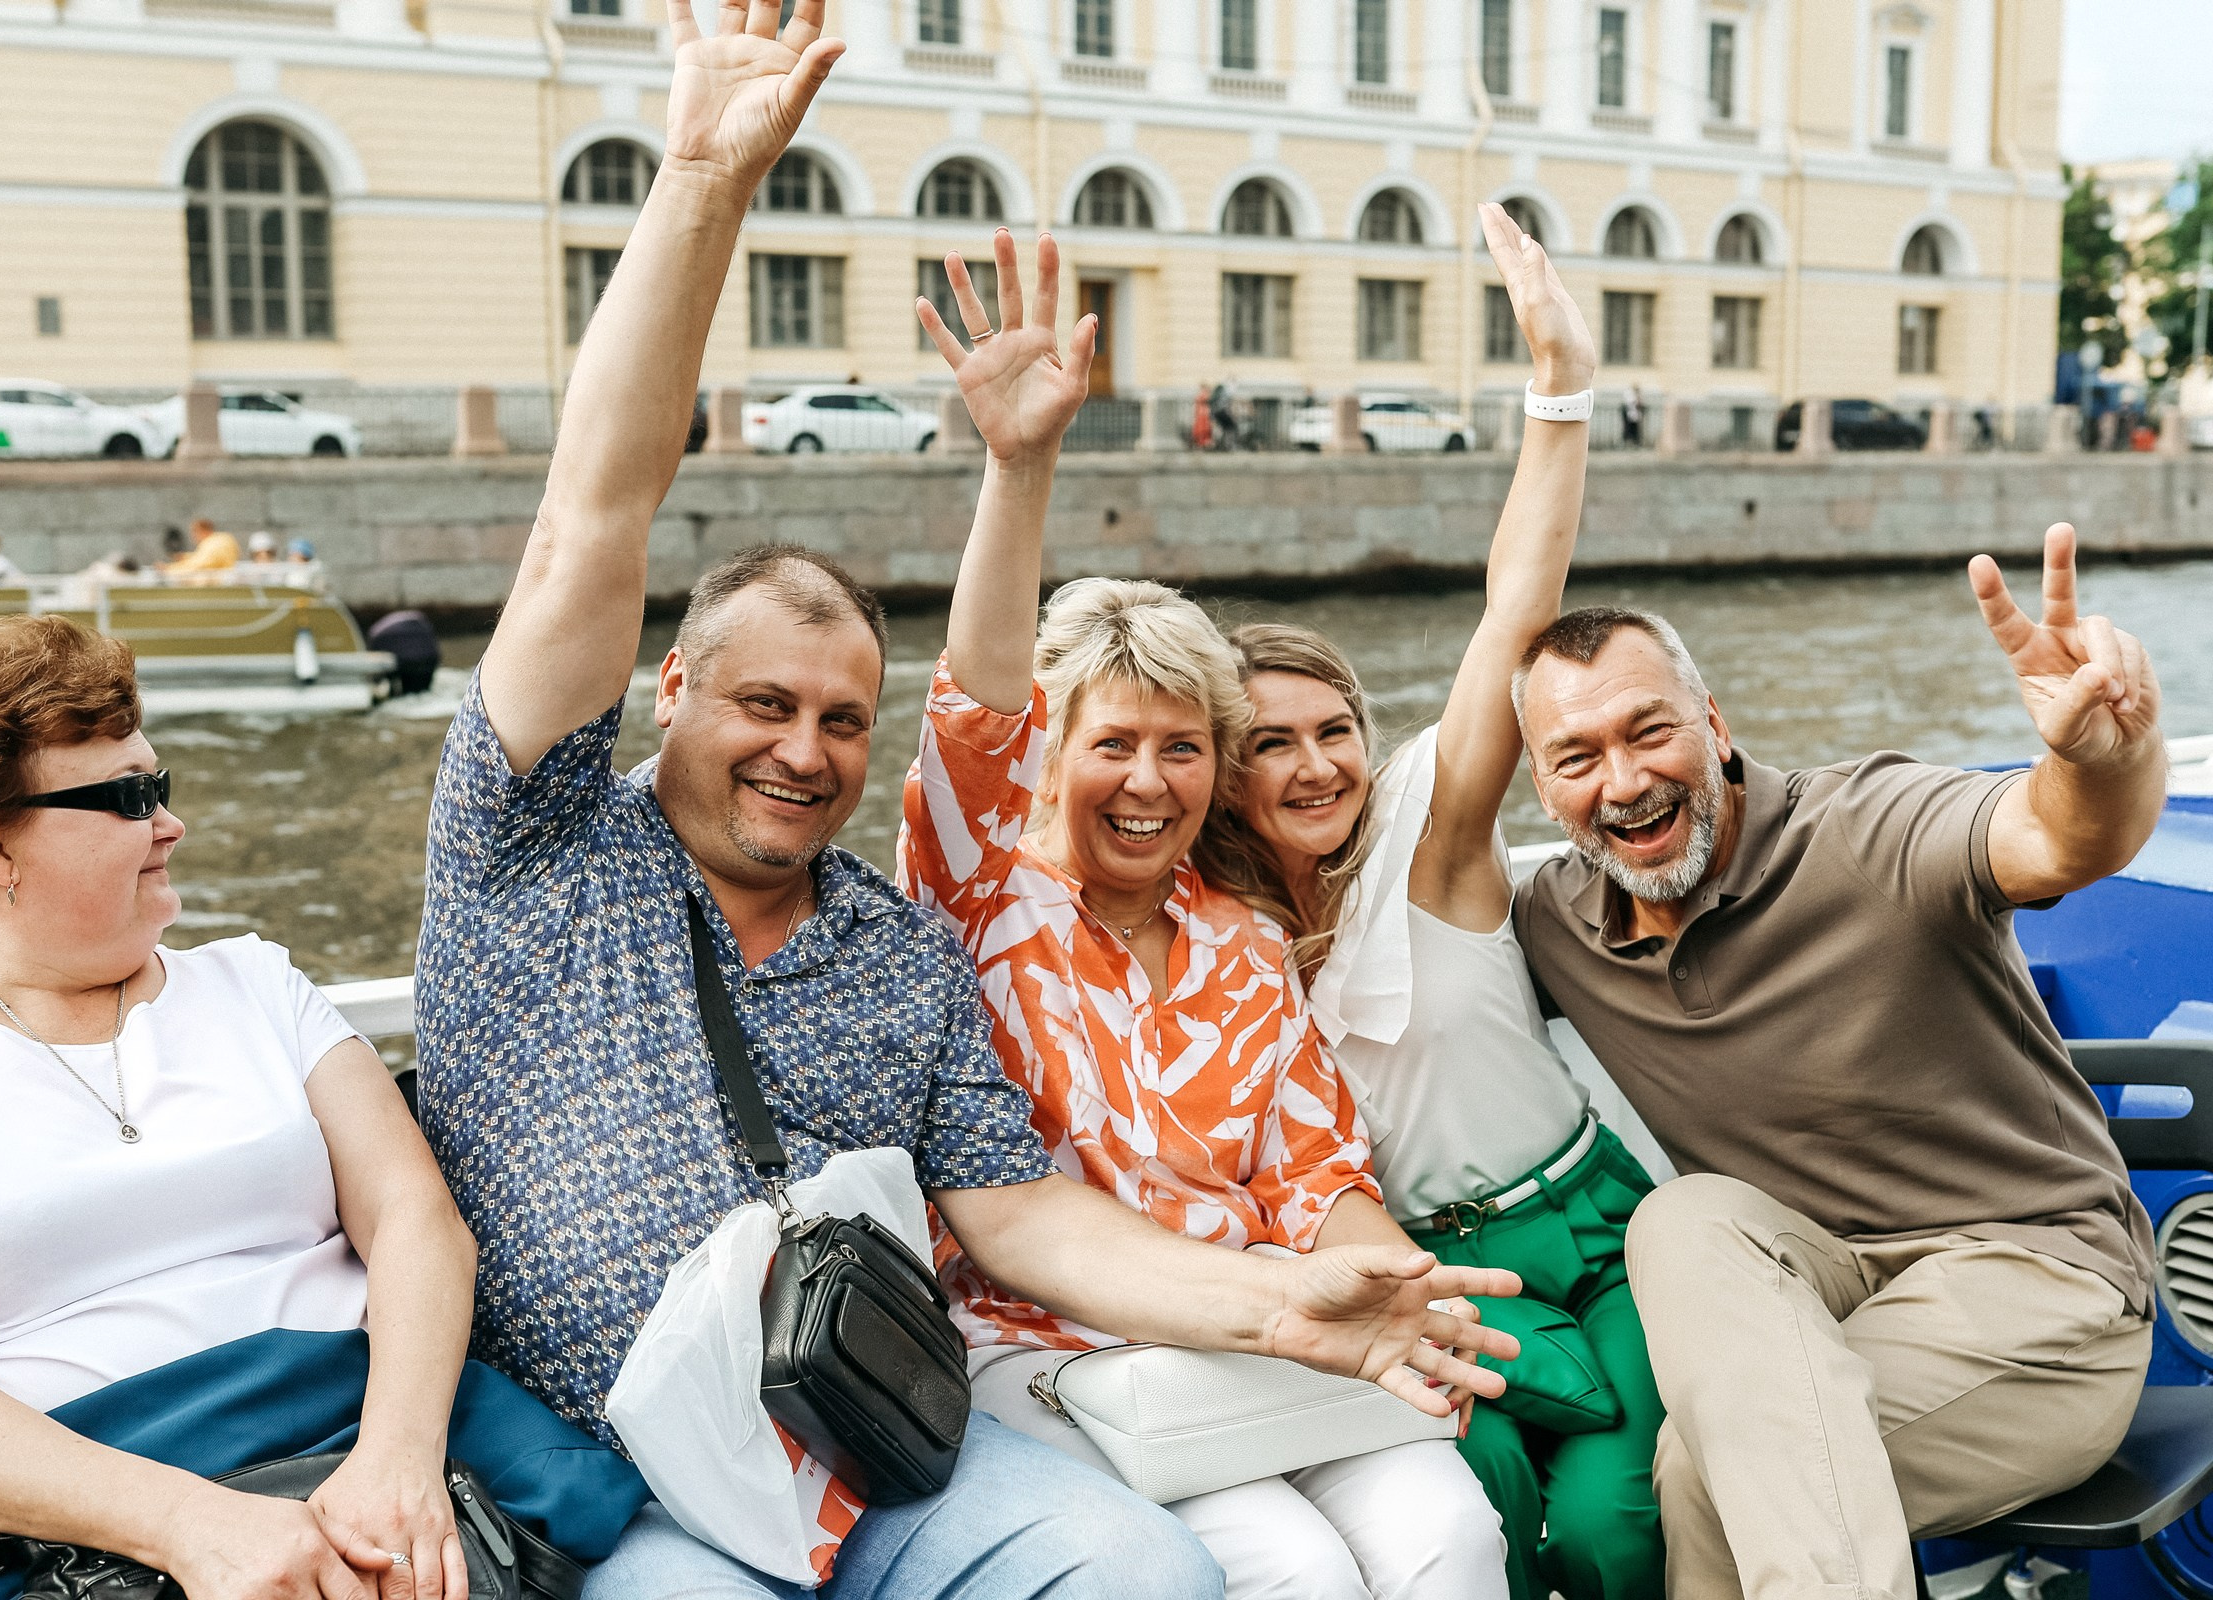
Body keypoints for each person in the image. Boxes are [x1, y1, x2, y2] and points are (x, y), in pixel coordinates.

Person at [413, 5, 1520, 1595]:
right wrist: (704, 183)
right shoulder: (536, 846)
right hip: (616, 1481)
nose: (805, 752)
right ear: (671, 689)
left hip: (868, 1440)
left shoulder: (900, 948)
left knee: (1160, 1577)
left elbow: (1021, 1214)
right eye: (764, 707)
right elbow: (589, 519)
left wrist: (1292, 1304)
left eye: (840, 720)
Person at [896, 231, 1515, 1600]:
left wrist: (1392, 1283)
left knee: (1451, 1532)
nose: (1148, 781)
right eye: (1113, 744)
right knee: (1291, 1569)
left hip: (1268, 1336)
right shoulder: (978, 893)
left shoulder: (1241, 942)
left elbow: (1316, 1173)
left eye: (1183, 748)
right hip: (1053, 1354)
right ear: (1050, 754)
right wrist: (1019, 466)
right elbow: (974, 707)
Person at [0, 613, 640, 1600]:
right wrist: (194, 1527)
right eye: (129, 797)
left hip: (392, 1443)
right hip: (87, 1529)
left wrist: (396, 1462)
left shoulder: (257, 983)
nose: (171, 824)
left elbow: (416, 1220)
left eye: (159, 787)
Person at [1509, 527, 2164, 1600]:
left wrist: (2104, 759)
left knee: (1699, 1478)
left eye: (1650, 731)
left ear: (1715, 726)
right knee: (1681, 1217)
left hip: (2039, 1290)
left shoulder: (1866, 828)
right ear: (1542, 787)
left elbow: (2056, 838)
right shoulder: (1556, 923)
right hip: (1825, 1292)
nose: (1623, 782)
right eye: (1577, 758)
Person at [1189, 204, 1661, 1600]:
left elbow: (1517, 612)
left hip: (1589, 1231)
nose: (1317, 764)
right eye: (1270, 743)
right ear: (1219, 775)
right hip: (1416, 1280)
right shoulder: (1207, 937)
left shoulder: (1427, 838)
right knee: (1483, 1509)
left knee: (1610, 1527)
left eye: (1334, 728)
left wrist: (1558, 387)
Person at [162, 518, 238, 581]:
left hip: (218, 583)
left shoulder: (213, 543)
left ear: (202, 530)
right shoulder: (224, 538)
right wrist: (185, 557)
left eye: (194, 531)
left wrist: (169, 569)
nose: (193, 536)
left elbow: (199, 565)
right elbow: (201, 557)